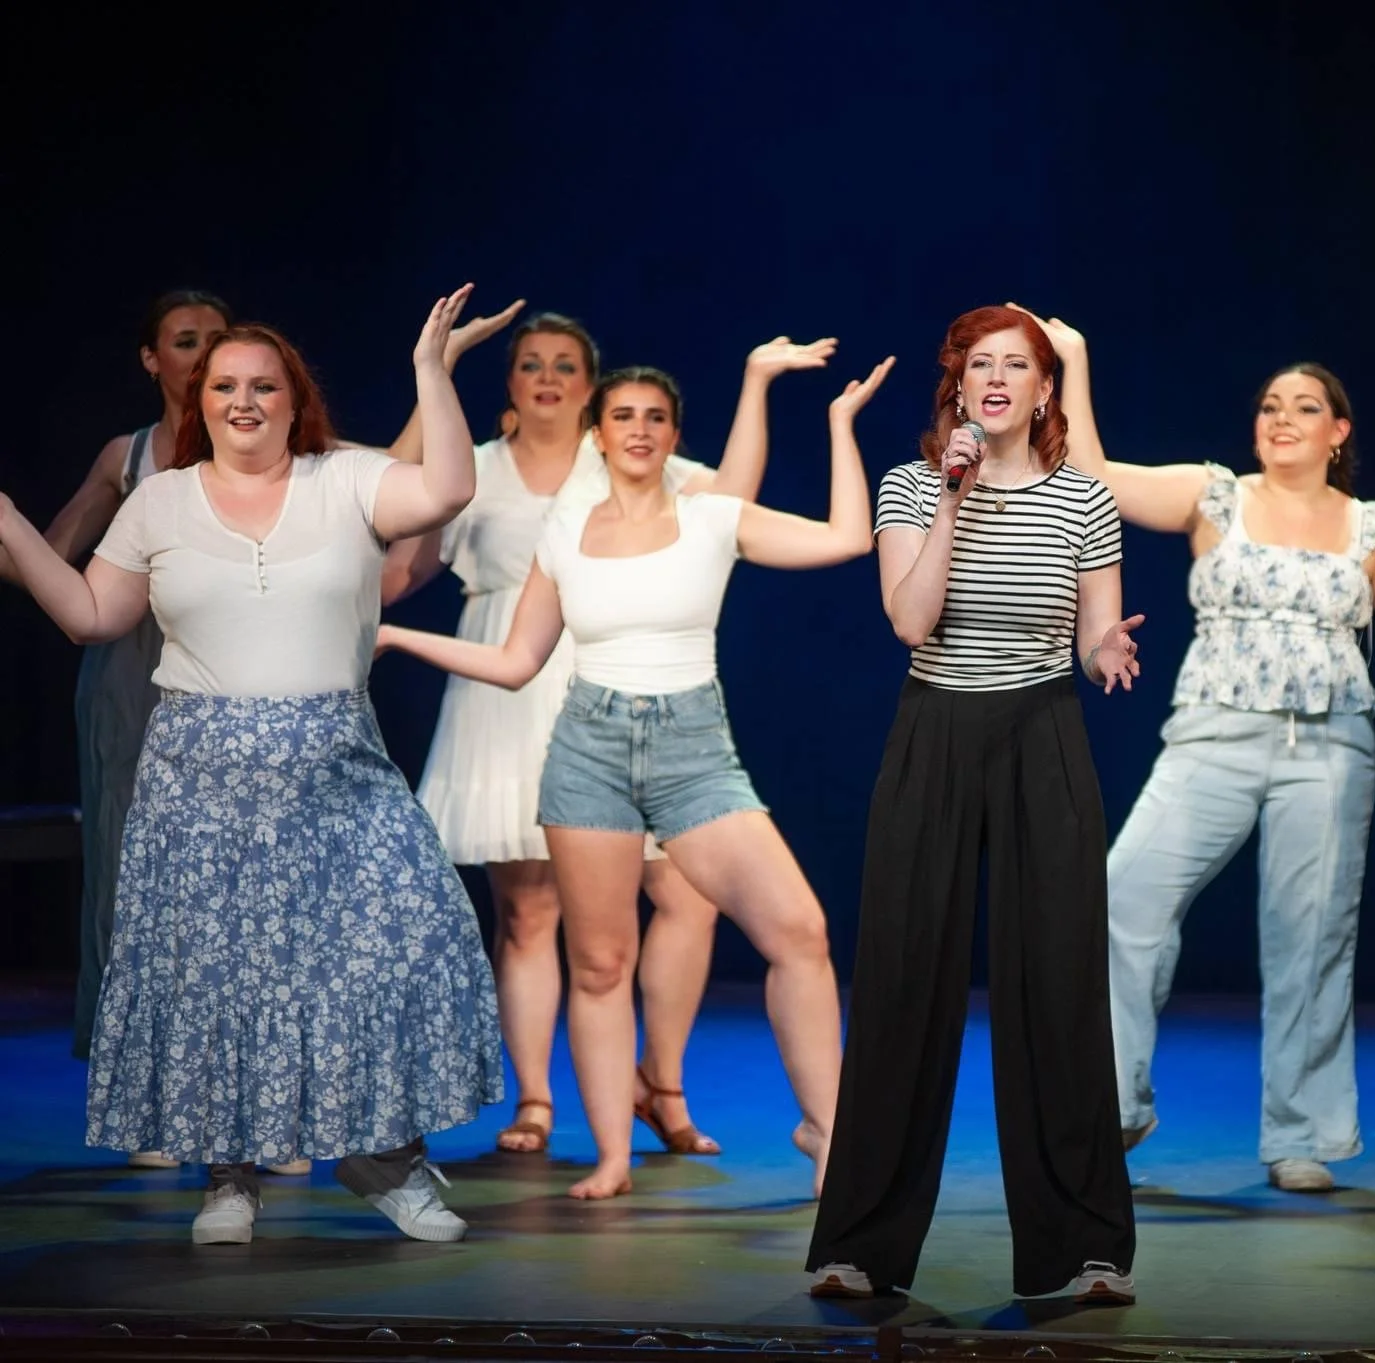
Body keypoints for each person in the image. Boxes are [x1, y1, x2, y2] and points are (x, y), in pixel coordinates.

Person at [0, 288, 501, 1245]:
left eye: (263, 385)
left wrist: (431, 373)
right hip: (201, 773)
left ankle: (382, 1158)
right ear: (200, 400)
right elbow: (89, 616)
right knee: (217, 979)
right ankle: (230, 1178)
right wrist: (10, 520)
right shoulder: (160, 498)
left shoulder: (346, 477)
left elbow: (445, 489)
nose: (242, 400)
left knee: (393, 954)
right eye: (224, 384)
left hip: (336, 764)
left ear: (291, 396)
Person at [1011, 305, 1375, 1192]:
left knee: (1311, 939)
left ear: (1339, 432)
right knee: (1124, 898)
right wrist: (1072, 358)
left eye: (1303, 408)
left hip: (1328, 747)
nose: (1281, 419)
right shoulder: (1214, 492)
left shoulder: (1373, 527)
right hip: (1213, 731)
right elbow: (1093, 475)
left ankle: (1300, 1132)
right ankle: (1112, 1106)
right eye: (1269, 406)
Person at [377, 354, 889, 1200]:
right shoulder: (565, 534)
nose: (640, 430)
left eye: (656, 417)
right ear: (599, 435)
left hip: (694, 751)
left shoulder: (712, 515)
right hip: (589, 749)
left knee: (799, 930)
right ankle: (613, 1153)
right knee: (602, 961)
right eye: (624, 417)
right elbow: (513, 660)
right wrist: (398, 639)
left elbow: (844, 536)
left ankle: (828, 1128)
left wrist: (837, 425)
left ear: (674, 435)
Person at [805, 306, 1140, 1307]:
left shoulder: (1084, 501)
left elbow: (1089, 633)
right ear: (956, 386)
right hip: (935, 731)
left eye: (1017, 365)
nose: (996, 378)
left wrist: (1104, 648)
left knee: (1058, 986)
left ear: (1044, 389)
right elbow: (910, 619)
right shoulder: (912, 484)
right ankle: (859, 1244)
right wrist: (953, 496)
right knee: (904, 981)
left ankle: (1080, 1249)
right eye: (978, 365)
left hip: (1042, 734)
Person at [2, 292, 230, 1096]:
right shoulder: (125, 455)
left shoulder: (255, 446)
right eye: (184, 340)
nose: (202, 353)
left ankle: (238, 1080)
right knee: (129, 873)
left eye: (216, 339)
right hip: (132, 677)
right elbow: (47, 558)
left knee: (231, 878)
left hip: (228, 670)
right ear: (151, 359)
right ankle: (142, 1086)